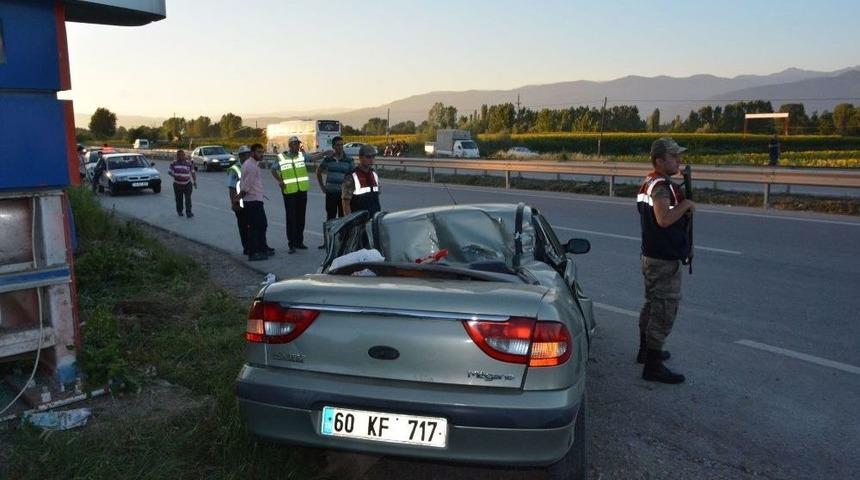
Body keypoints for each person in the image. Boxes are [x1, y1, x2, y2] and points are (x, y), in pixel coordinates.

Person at [636, 137, 695, 384]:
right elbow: (663, 219)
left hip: (653, 256)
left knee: (652, 305)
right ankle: (653, 365)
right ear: (659, 160)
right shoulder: (660, 186)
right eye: (673, 156)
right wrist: (687, 205)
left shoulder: (651, 181)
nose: (678, 160)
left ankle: (646, 352)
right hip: (662, 261)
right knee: (663, 310)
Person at [270, 136, 331, 254]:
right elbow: (273, 169)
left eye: (298, 144)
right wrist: (280, 181)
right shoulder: (281, 157)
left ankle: (299, 242)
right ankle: (292, 244)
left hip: (302, 191)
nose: (297, 146)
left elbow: (313, 157)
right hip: (289, 191)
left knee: (301, 217)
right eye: (294, 144)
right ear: (290, 145)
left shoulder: (301, 155)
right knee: (291, 218)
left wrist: (324, 153)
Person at [315, 136, 354, 248]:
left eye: (342, 144)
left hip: (343, 195)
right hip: (331, 193)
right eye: (337, 145)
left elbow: (352, 176)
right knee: (330, 218)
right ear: (333, 146)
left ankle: (342, 241)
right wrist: (322, 186)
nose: (340, 147)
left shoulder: (349, 160)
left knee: (343, 218)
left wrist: (351, 191)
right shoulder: (328, 159)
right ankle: (328, 242)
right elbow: (319, 171)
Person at [240, 143, 270, 261]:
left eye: (262, 152)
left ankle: (261, 249)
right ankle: (254, 253)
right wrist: (242, 194)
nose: (261, 154)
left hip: (254, 199)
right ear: (252, 153)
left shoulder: (251, 164)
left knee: (260, 225)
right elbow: (248, 183)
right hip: (253, 200)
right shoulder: (251, 166)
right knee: (256, 227)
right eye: (258, 152)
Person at [342, 144, 381, 216]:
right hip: (359, 222)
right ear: (360, 157)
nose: (371, 160)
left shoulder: (374, 174)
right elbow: (346, 203)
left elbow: (376, 198)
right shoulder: (351, 176)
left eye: (373, 157)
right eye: (368, 157)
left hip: (374, 219)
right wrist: (350, 222)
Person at [228, 146, 251, 255]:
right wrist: (234, 203)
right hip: (241, 204)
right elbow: (232, 188)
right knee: (244, 227)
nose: (248, 157)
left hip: (253, 202)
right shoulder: (235, 169)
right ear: (241, 157)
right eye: (246, 155)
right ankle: (247, 248)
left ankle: (258, 245)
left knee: (256, 225)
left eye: (249, 155)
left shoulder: (251, 166)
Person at [168, 149, 197, 218]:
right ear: (177, 156)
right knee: (179, 199)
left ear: (184, 155)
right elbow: (169, 171)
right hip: (177, 184)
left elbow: (193, 172)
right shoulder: (174, 163)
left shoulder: (189, 163)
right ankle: (180, 211)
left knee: (188, 199)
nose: (181, 156)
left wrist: (195, 181)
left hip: (187, 184)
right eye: (179, 155)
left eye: (183, 155)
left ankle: (188, 212)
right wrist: (174, 175)